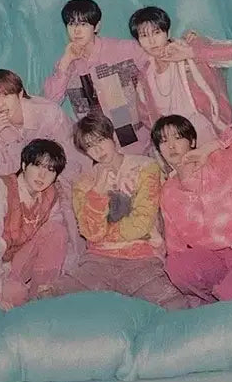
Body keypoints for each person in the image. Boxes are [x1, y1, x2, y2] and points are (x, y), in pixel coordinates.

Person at [55, 113, 190, 309]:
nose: (98, 150)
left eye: (101, 140)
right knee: (55, 299)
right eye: (90, 146)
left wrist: (106, 232)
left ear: (113, 137)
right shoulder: (83, 182)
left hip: (143, 257)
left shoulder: (146, 167)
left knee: (175, 306)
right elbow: (91, 232)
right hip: (97, 260)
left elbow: (142, 223)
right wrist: (98, 192)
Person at [152, 114, 232, 304]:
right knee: (176, 266)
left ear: (192, 141)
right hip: (212, 261)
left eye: (178, 138)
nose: (171, 146)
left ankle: (227, 296)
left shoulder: (224, 158)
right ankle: (217, 299)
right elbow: (175, 246)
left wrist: (210, 147)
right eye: (163, 141)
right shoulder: (168, 192)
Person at [0, 69, 88, 268]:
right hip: (22, 185)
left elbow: (74, 159)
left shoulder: (48, 113)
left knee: (65, 205)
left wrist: (56, 186)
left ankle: (73, 260)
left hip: (59, 175)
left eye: (5, 95)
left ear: (20, 94)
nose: (0, 104)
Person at [0, 139, 68, 311]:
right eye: (37, 166)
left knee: (57, 231)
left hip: (12, 264)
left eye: (50, 170)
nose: (42, 176)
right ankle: (24, 295)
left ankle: (42, 294)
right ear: (24, 165)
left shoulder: (49, 194)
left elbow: (54, 242)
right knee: (17, 293)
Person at [42, 0, 150, 154]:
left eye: (83, 24)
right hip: (96, 149)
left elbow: (155, 59)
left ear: (97, 26)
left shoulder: (122, 49)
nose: (76, 31)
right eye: (71, 24)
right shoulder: (66, 63)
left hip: (137, 142)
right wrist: (65, 62)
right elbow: (50, 102)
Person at [129, 6, 232, 145]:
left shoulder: (189, 47)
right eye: (144, 36)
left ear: (168, 32)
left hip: (214, 137)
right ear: (138, 41)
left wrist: (191, 53)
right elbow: (147, 117)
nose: (152, 41)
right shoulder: (145, 77)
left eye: (156, 32)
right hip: (176, 147)